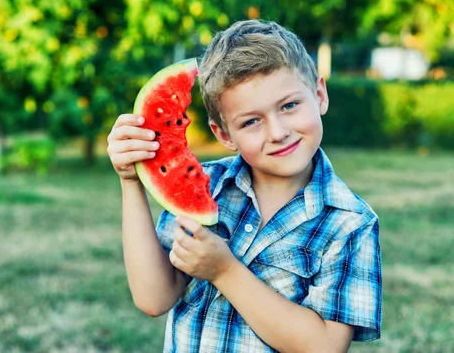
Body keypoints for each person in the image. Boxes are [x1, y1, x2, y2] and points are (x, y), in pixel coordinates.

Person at [107, 20, 382, 352]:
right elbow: (153, 298)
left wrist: (224, 271)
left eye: (289, 105)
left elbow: (325, 346)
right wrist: (131, 182)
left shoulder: (350, 223)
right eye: (251, 121)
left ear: (319, 95)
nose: (278, 131)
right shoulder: (205, 187)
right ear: (224, 135)